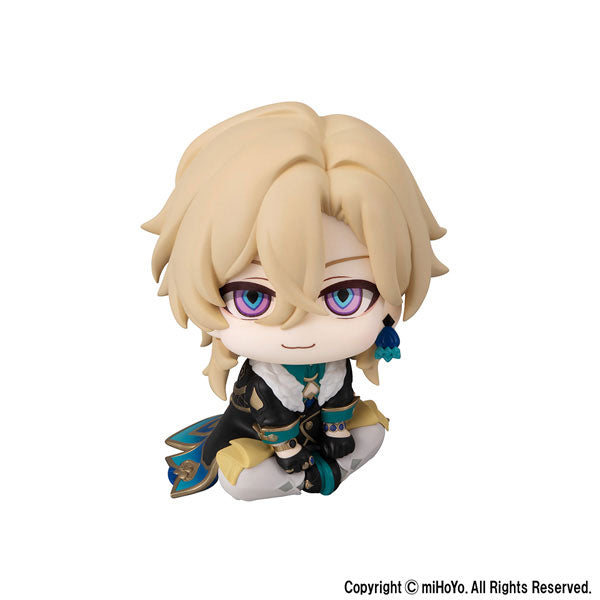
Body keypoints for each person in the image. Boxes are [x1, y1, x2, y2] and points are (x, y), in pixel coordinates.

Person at [142, 102, 447, 500]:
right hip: (261, 435)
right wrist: (289, 453)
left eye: (344, 296)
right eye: (253, 297)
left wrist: (337, 432)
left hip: (318, 432)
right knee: (242, 478)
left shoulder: (334, 366)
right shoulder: (264, 380)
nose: (299, 328)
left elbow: (340, 399)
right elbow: (269, 418)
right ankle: (308, 477)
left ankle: (323, 473)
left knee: (373, 429)